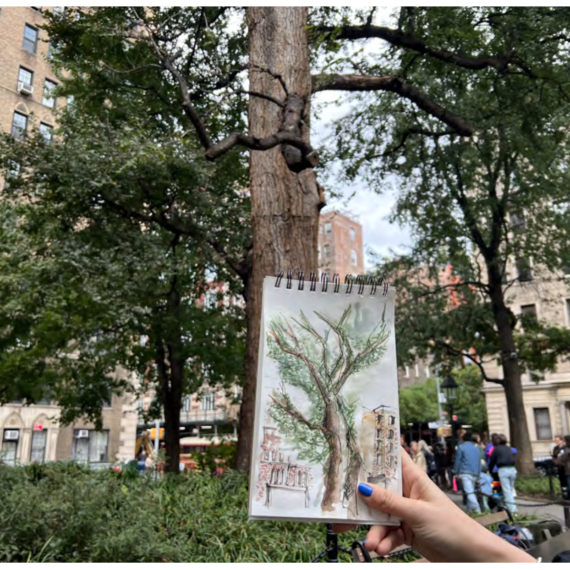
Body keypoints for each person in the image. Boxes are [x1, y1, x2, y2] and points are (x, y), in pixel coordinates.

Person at [333, 446, 535, 562]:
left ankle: (479, 506)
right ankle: (496, 506)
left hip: (473, 473)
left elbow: (463, 461)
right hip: (488, 473)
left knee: (482, 493)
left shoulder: (472, 450)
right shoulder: (481, 448)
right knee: (501, 491)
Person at [488, 433, 517, 515]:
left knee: (507, 491)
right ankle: (507, 507)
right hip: (512, 469)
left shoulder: (496, 449)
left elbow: (492, 461)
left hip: (503, 470)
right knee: (510, 491)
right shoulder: (509, 448)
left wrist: (490, 470)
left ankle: (513, 512)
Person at [453, 432, 481, 514]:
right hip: (475, 473)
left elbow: (458, 460)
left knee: (469, 493)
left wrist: (456, 472)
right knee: (470, 492)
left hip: (465, 472)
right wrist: (478, 475)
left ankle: (478, 511)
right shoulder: (476, 448)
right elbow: (478, 462)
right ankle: (469, 511)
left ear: (463, 439)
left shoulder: (461, 447)